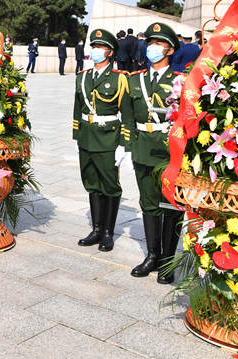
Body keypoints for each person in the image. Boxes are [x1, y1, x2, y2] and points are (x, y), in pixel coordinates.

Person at [122, 22, 183, 284]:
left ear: (170, 49)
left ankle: (168, 261)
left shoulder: (180, 81)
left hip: (170, 152)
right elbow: (127, 115)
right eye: (150, 43)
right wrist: (126, 147)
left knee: (171, 205)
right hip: (143, 149)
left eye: (158, 43)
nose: (152, 48)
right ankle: (152, 255)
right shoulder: (135, 79)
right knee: (148, 203)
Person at [73, 29, 129, 252]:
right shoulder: (83, 77)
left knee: (109, 186)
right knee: (92, 183)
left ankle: (107, 233)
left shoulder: (119, 79)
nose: (95, 50)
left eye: (100, 47)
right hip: (86, 137)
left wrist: (123, 144)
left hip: (108, 138)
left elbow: (127, 114)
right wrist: (77, 135)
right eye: (94, 47)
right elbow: (77, 108)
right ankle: (96, 230)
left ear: (110, 52)